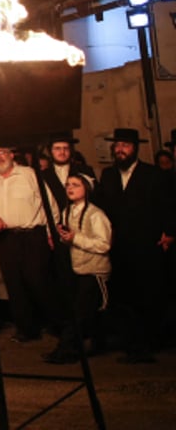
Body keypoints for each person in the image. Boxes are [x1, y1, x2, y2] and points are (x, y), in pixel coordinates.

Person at [97, 127, 175, 364]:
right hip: (119, 246)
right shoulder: (108, 175)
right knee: (124, 296)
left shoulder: (152, 174)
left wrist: (170, 233)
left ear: (135, 148)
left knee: (148, 295)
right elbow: (102, 208)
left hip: (146, 244)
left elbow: (168, 205)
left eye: (126, 146)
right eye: (117, 146)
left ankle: (149, 344)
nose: (120, 150)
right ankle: (131, 343)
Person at [0, 145, 57, 344]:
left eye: (2, 153)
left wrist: (52, 232)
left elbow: (49, 203)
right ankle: (27, 328)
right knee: (14, 283)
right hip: (7, 237)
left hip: (33, 234)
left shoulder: (29, 174)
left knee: (38, 280)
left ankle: (59, 324)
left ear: (11, 155)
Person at [44, 173, 112, 364]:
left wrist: (75, 238)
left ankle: (65, 350)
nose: (70, 188)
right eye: (68, 185)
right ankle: (95, 344)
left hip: (94, 270)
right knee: (84, 311)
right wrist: (64, 237)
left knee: (81, 313)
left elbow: (104, 244)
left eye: (76, 185)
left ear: (87, 190)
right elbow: (71, 240)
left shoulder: (96, 214)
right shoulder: (68, 211)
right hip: (78, 269)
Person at [38, 132, 96, 211]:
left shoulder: (85, 170)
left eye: (66, 148)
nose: (62, 152)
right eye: (57, 148)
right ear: (50, 151)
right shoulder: (43, 175)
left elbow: (96, 198)